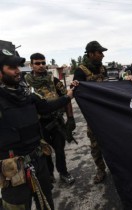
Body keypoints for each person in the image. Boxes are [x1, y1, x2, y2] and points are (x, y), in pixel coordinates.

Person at [0, 48, 77, 209]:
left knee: (46, 201)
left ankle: (59, 173)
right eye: (12, 68)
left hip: (37, 159)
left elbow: (45, 107)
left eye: (17, 67)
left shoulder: (26, 92)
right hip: (13, 171)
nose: (17, 72)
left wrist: (68, 96)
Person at [24, 53, 76, 185]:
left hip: (56, 121)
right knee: (44, 152)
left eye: (43, 63)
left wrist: (70, 118)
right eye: (37, 63)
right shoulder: (26, 84)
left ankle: (63, 173)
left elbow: (67, 98)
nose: (41, 66)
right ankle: (49, 175)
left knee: (59, 150)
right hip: (39, 124)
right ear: (31, 65)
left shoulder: (54, 81)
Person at [73, 41, 108, 184]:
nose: (103, 55)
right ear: (91, 54)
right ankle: (101, 170)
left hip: (107, 112)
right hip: (93, 115)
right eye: (100, 52)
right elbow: (77, 93)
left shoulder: (103, 69)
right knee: (95, 144)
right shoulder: (80, 71)